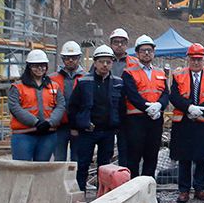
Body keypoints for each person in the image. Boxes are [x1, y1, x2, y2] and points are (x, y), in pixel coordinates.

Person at [168, 43, 204, 203]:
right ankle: (184, 190)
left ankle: (200, 189)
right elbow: (174, 96)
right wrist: (189, 108)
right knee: (184, 157)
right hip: (184, 121)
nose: (196, 62)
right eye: (193, 59)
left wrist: (201, 110)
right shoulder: (178, 75)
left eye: (199, 59)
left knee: (201, 157)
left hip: (203, 122)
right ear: (188, 59)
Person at [67, 45, 123, 192]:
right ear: (95, 62)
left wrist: (118, 126)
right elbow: (73, 106)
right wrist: (74, 127)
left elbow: (121, 107)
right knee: (83, 164)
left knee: (105, 166)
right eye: (101, 61)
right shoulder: (84, 82)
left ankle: (102, 195)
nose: (105, 65)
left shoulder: (118, 83)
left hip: (108, 131)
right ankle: (80, 194)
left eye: (108, 62)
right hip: (88, 131)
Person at [121, 35, 169, 178]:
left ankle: (148, 190)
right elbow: (131, 94)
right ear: (137, 53)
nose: (146, 53)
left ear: (153, 52)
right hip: (136, 120)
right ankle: (134, 191)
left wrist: (160, 105)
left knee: (151, 156)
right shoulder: (129, 72)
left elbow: (166, 93)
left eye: (149, 50)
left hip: (155, 120)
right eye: (143, 50)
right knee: (134, 157)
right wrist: (147, 107)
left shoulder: (160, 73)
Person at [8, 49, 66, 161]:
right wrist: (35, 122)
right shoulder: (17, 87)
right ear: (29, 66)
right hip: (23, 135)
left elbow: (60, 106)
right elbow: (15, 108)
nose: (40, 68)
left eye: (43, 65)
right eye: (35, 65)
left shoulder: (54, 86)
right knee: (22, 169)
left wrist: (50, 122)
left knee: (41, 170)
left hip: (48, 134)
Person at [52, 41, 85, 162]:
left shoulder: (86, 78)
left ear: (79, 58)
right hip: (59, 126)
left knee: (77, 162)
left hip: (80, 127)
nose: (70, 60)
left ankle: (76, 181)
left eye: (74, 58)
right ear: (62, 58)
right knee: (59, 161)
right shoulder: (52, 78)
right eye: (67, 58)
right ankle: (58, 182)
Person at [109, 28, 138, 167]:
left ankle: (123, 176)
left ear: (127, 44)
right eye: (116, 42)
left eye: (122, 42)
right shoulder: (104, 59)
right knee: (106, 147)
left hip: (127, 109)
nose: (119, 45)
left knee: (125, 147)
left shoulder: (134, 62)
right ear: (111, 44)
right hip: (107, 108)